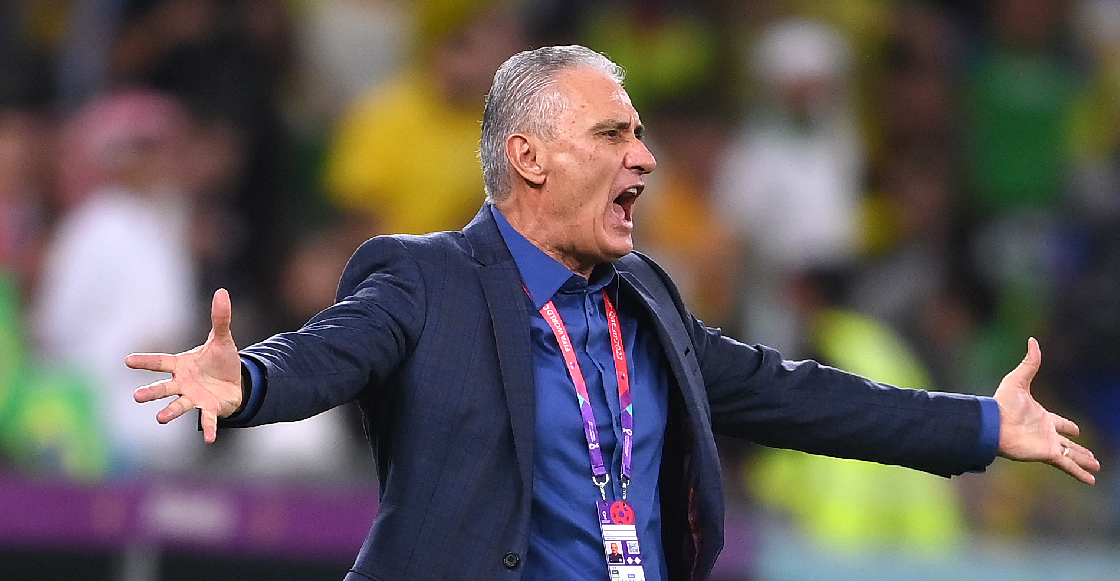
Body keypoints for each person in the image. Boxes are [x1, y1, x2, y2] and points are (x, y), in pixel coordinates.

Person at [128, 45, 1099, 581]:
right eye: (612, 134)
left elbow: (798, 395)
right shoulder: (426, 279)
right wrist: (248, 379)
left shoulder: (649, 301)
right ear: (529, 157)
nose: (644, 157)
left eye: (640, 134)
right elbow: (332, 351)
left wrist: (983, 423)